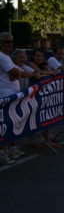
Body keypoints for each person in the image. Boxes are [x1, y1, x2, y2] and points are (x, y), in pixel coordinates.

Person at [0, 33, 24, 165]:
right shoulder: (1, 57)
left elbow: (16, 73)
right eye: (7, 42)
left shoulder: (6, 57)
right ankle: (2, 152)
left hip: (11, 95)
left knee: (10, 124)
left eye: (12, 42)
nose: (10, 44)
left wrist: (18, 73)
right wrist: (17, 73)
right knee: (4, 125)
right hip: (4, 96)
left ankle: (7, 149)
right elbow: (15, 73)